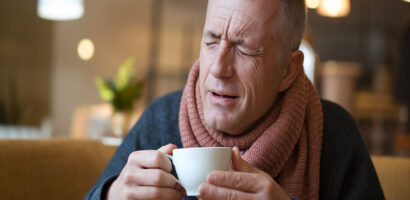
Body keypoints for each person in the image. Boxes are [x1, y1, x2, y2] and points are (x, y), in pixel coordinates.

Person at [85, 0, 384, 199]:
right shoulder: (161, 117)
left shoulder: (333, 133)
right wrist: (111, 194)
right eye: (211, 41)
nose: (217, 68)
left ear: (288, 71)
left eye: (244, 50)